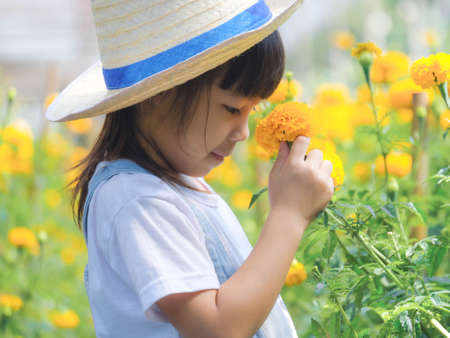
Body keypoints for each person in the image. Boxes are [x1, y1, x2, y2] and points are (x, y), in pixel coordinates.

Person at [46, 0, 334, 337]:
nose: (243, 133)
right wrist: (289, 214)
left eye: (250, 111)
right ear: (161, 92)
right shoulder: (136, 199)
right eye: (231, 109)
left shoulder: (172, 183)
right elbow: (217, 328)